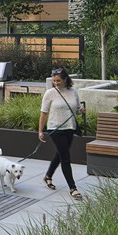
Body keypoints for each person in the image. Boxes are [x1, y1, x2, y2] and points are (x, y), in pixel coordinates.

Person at [37, 68, 84, 201]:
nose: (56, 83)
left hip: (70, 127)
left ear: (65, 79)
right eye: (54, 81)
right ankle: (73, 188)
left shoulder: (73, 92)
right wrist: (40, 131)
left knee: (60, 153)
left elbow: (76, 110)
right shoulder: (50, 93)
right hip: (55, 129)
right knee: (65, 158)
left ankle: (48, 176)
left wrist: (81, 110)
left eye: (58, 80)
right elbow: (43, 113)